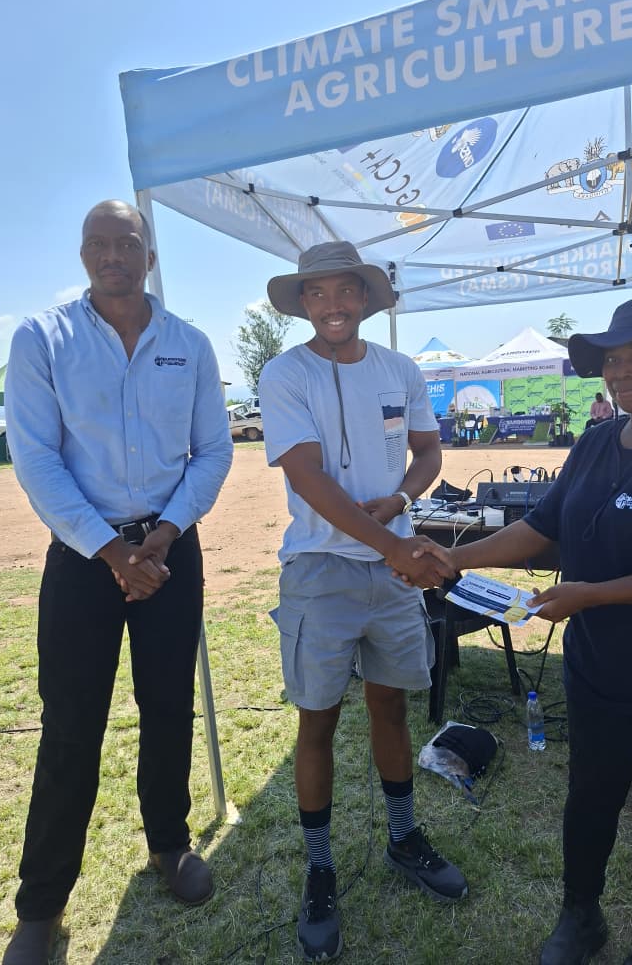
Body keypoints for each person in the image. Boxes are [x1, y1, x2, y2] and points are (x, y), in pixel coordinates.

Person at [405, 293, 632, 965]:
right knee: (590, 794)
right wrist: (456, 557)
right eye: (613, 358)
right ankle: (580, 916)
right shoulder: (593, 443)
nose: (622, 370)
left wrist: (590, 596)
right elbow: (540, 527)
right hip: (597, 668)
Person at [1, 200, 233, 965]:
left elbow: (212, 451)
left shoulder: (189, 345)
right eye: (98, 244)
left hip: (169, 551)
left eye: (127, 244)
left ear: (149, 258)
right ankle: (41, 905)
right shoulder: (42, 339)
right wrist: (110, 551)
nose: (113, 256)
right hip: (82, 558)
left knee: (168, 707)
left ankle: (169, 845)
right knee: (71, 725)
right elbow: (37, 458)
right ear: (82, 256)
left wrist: (162, 536)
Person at [258, 241, 466, 962]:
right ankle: (321, 870)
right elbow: (307, 478)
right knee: (316, 721)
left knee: (391, 707)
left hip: (391, 573)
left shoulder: (400, 370)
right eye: (316, 293)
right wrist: (392, 545)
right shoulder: (285, 373)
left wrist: (402, 499)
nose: (332, 305)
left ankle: (403, 837)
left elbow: (428, 453)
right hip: (321, 569)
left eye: (345, 290)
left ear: (367, 298)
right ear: (303, 304)